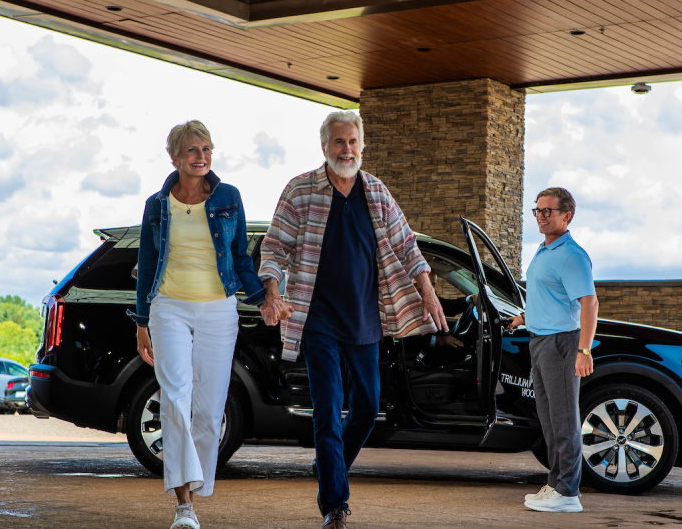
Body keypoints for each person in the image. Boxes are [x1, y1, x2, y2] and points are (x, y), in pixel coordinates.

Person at [259, 111, 448, 529]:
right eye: (339, 142)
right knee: (327, 410)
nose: (347, 149)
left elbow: (406, 244)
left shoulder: (376, 192)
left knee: (367, 407)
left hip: (365, 319)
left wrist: (428, 290)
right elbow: (274, 249)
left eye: (353, 142)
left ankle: (330, 467)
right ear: (324, 146)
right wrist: (272, 291)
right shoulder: (300, 190)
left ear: (363, 145)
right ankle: (335, 505)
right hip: (317, 320)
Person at [129, 120, 275, 529]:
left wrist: (264, 298)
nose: (202, 157)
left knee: (210, 411)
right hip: (169, 307)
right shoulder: (157, 205)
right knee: (175, 398)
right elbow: (145, 268)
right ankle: (184, 506)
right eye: (193, 150)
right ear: (175, 157)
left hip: (218, 309)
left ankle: (197, 485)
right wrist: (142, 323)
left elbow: (241, 258)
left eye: (207, 149)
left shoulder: (229, 197)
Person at [509, 187, 598, 513]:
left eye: (548, 211)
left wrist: (583, 350)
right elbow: (549, 296)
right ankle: (555, 483)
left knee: (563, 420)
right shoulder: (545, 250)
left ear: (567, 215)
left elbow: (590, 304)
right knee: (548, 418)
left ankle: (567, 493)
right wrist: (524, 317)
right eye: (538, 210)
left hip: (562, 343)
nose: (541, 216)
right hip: (541, 340)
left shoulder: (571, 255)